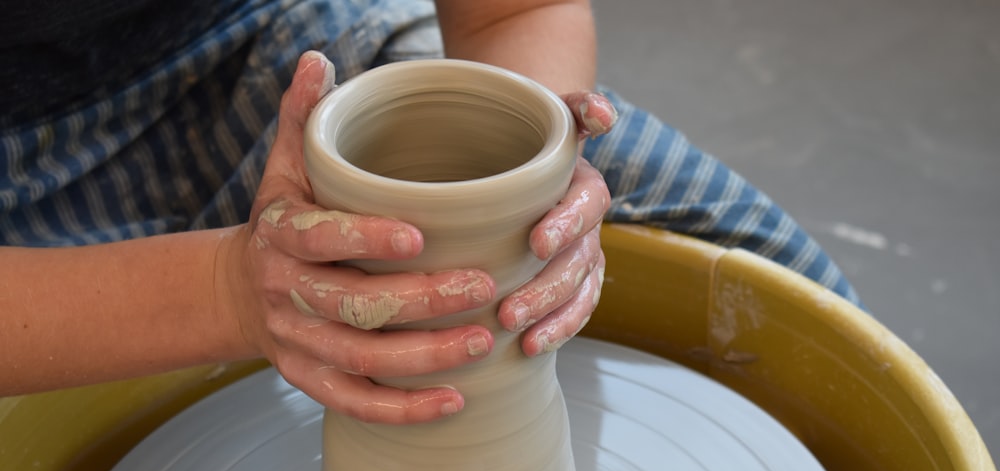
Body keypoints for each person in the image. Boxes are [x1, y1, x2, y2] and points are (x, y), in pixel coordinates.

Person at [0, 0, 860, 424]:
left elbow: (516, 9)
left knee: (807, 314)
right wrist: (227, 291)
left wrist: (527, 166)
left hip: (278, 45)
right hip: (24, 199)